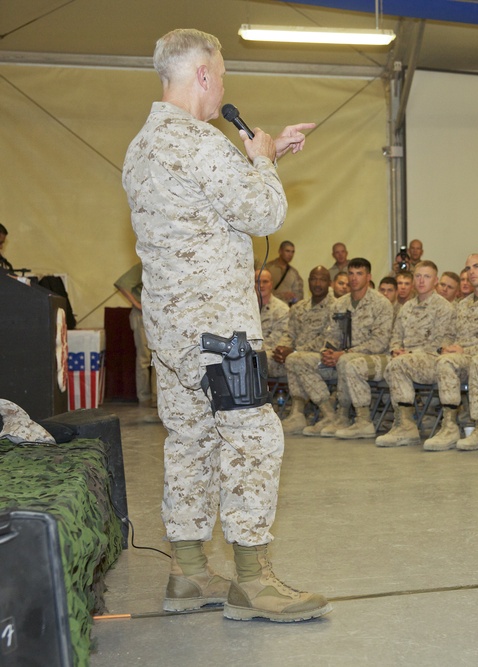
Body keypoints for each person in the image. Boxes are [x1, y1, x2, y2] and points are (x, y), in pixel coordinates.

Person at [121, 28, 328, 622]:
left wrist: (261, 160)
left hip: (173, 334)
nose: (221, 92)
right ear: (205, 74)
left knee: (191, 442)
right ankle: (253, 582)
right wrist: (261, 161)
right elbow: (264, 211)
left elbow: (211, 204)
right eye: (222, 78)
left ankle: (187, 574)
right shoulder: (200, 140)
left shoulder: (145, 144)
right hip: (219, 331)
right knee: (254, 437)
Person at [295, 258, 393, 438]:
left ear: (369, 276)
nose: (354, 278)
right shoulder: (340, 304)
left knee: (347, 361)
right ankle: (329, 414)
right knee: (298, 359)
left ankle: (361, 420)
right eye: (351, 273)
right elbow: (331, 335)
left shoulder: (381, 304)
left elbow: (380, 342)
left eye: (359, 274)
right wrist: (327, 352)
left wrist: (344, 353)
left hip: (378, 359)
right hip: (342, 359)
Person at [424, 254, 478, 451]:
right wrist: (445, 347)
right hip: (462, 359)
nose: (471, 272)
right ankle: (449, 426)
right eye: (468, 268)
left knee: (472, 362)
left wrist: (465, 350)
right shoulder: (463, 305)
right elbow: (449, 333)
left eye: (476, 266)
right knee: (442, 360)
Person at [374, 261, 457, 447]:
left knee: (398, 364)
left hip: (432, 361)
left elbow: (441, 344)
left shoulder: (444, 308)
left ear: (435, 281)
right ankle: (403, 423)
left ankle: (406, 425)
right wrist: (396, 349)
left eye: (426, 277)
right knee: (392, 362)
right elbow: (395, 337)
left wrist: (408, 353)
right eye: (418, 276)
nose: (421, 281)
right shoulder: (407, 308)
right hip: (407, 359)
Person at [279, 267, 341, 435]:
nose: (317, 283)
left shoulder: (336, 307)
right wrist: (283, 347)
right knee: (268, 359)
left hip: (325, 359)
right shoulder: (299, 307)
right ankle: (297, 414)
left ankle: (329, 414)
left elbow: (328, 339)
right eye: (314, 279)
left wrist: (295, 351)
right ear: (308, 282)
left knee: (296, 359)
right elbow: (289, 333)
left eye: (322, 279)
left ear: (329, 283)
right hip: (298, 356)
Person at [114, 262, 160, 422]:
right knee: (144, 359)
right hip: (141, 316)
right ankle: (145, 397)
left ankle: (157, 398)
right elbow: (121, 283)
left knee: (158, 358)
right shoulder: (143, 264)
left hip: (156, 316)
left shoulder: (161, 263)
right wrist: (137, 304)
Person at [255, 268, 289, 377]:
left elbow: (277, 340)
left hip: (270, 355)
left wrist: (252, 351)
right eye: (257, 282)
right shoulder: (245, 308)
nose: (261, 285)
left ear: (271, 284)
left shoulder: (281, 309)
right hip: (248, 353)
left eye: (265, 281)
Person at [265, 240, 303, 305]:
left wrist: (293, 298)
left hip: (286, 310)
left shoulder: (294, 273)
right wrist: (281, 295)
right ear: (280, 251)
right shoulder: (268, 268)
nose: (290, 255)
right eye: (287, 251)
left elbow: (299, 298)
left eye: (292, 252)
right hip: (268, 307)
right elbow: (261, 290)